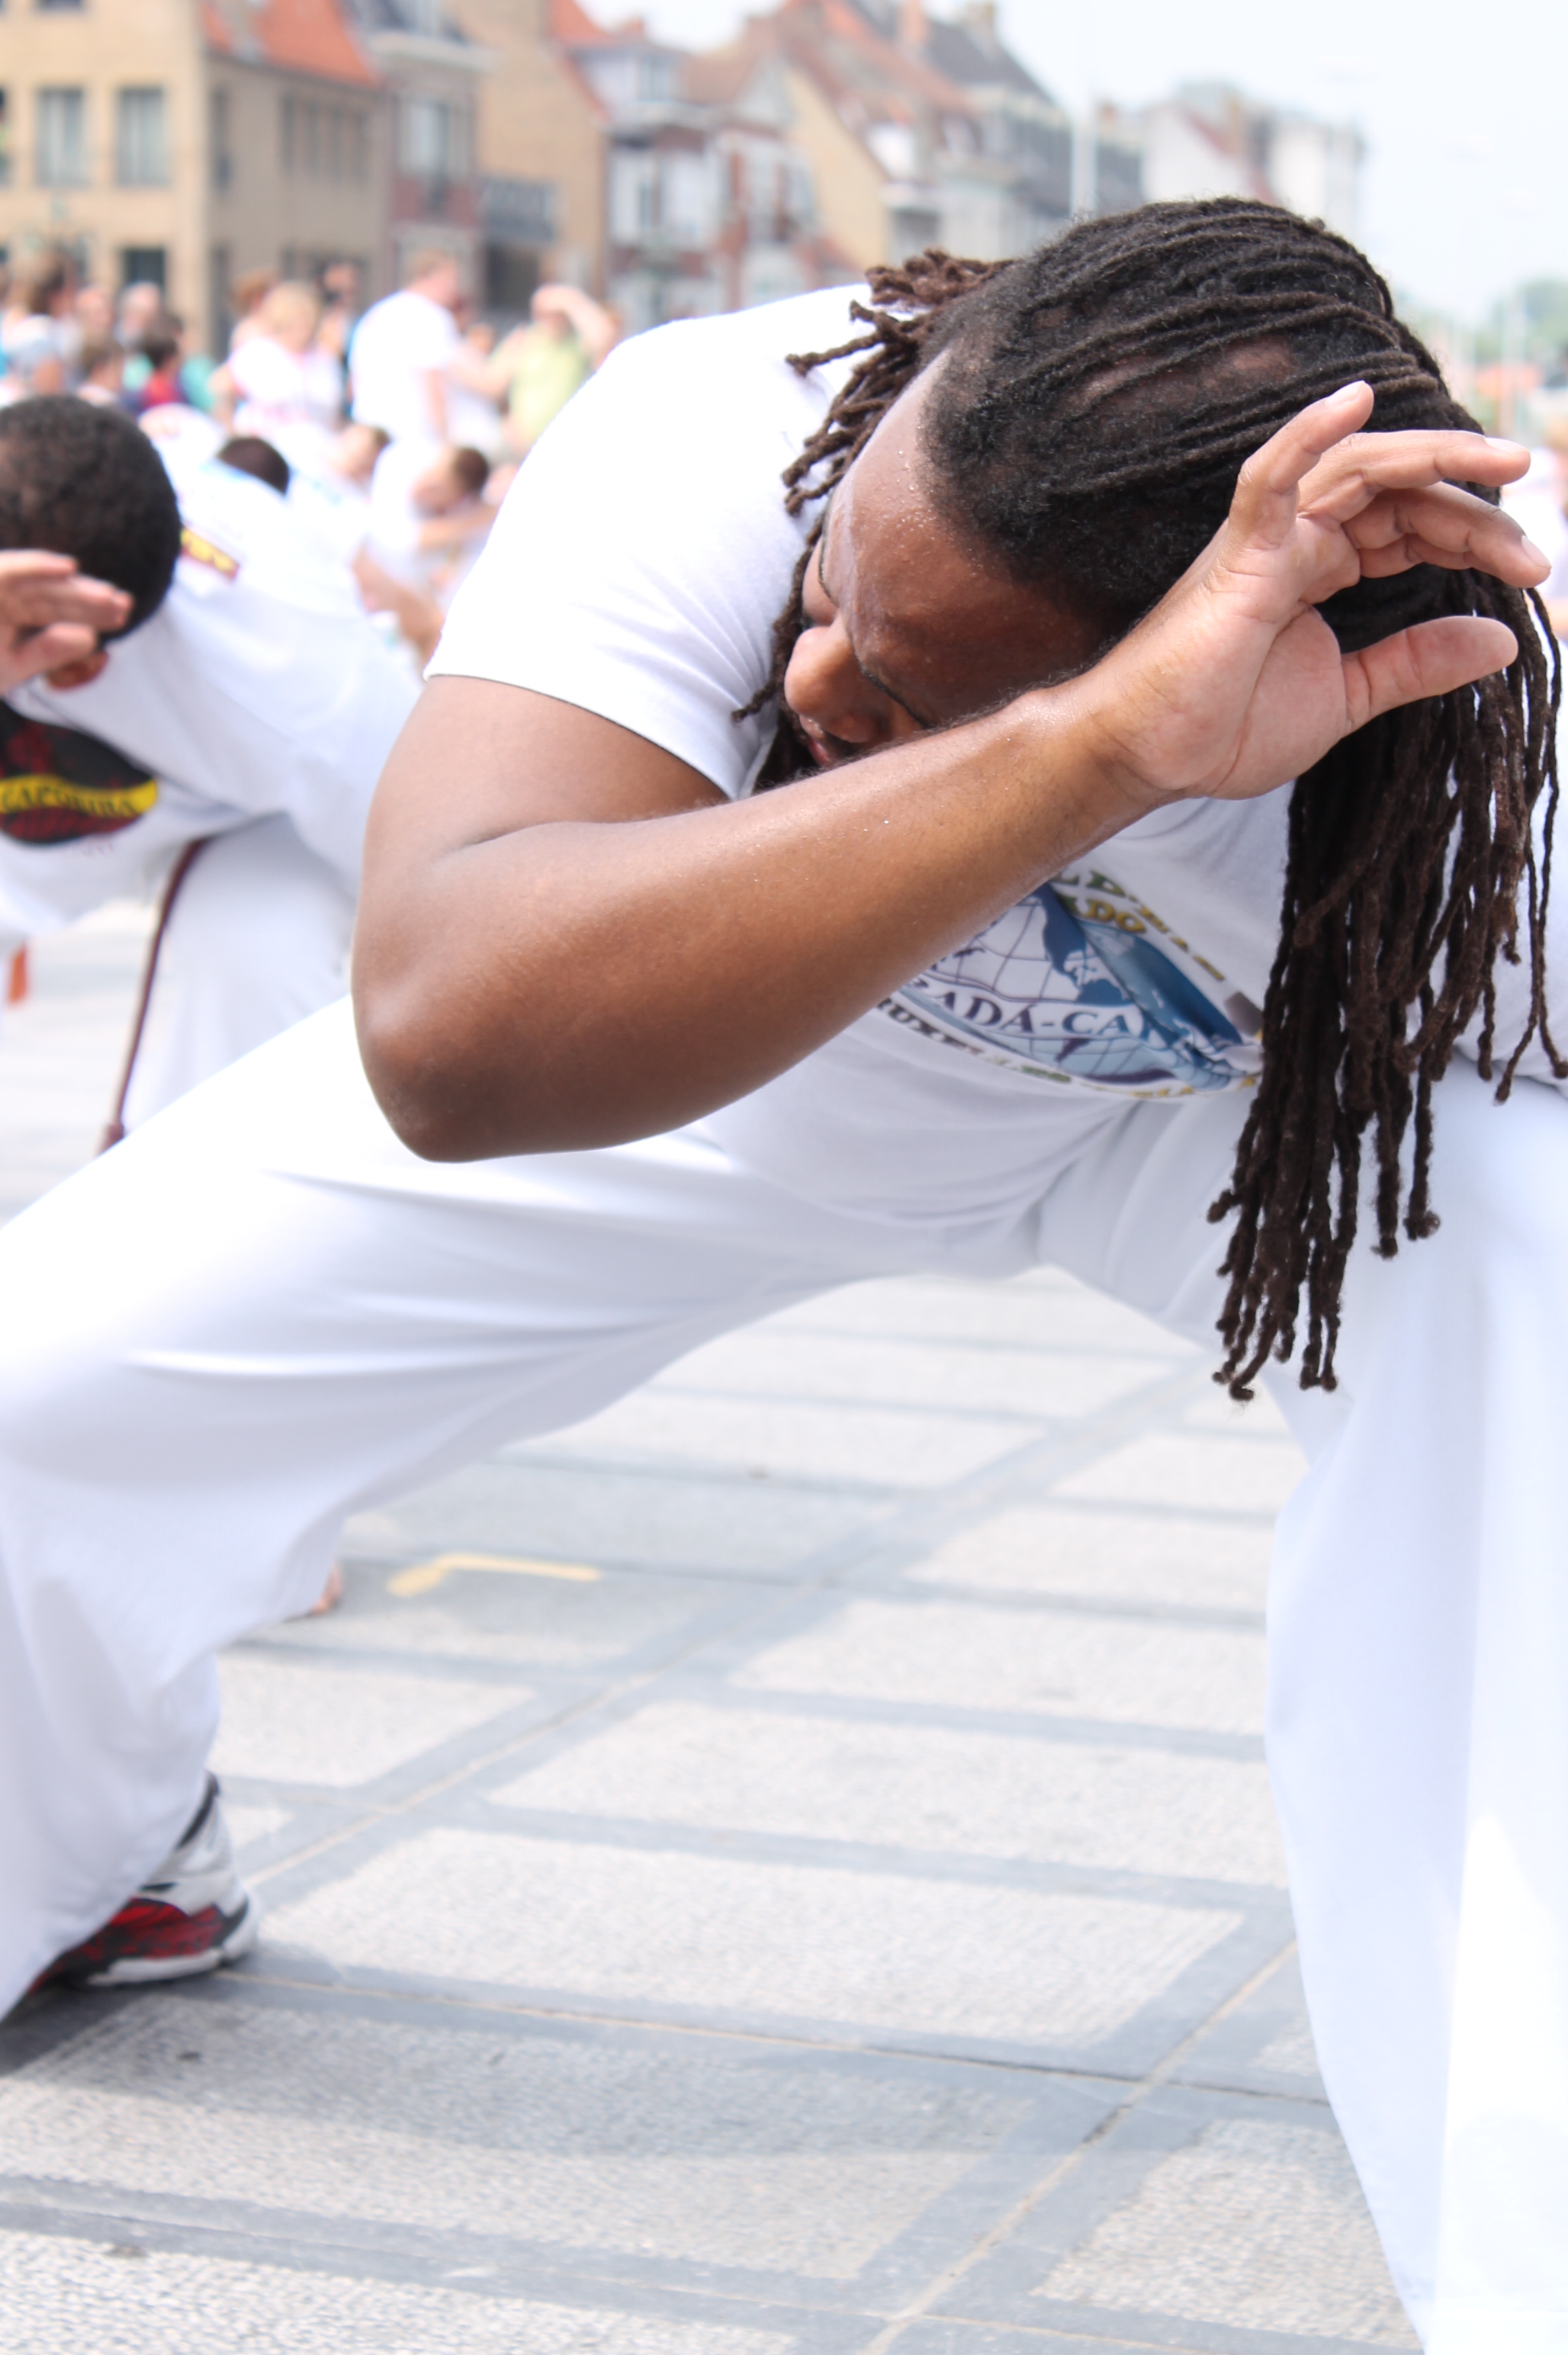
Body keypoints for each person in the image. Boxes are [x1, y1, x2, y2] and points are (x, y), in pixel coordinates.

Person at [0, 201, 1560, 2341]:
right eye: (836, 602)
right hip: (750, 1043)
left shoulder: (1483, 723)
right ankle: (97, 1861)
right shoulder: (729, 415)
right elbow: (453, 1030)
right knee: (42, 1387)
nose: (818, 678)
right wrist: (1079, 748)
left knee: (1527, 1313)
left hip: (1225, 1126)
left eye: (913, 688)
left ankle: (1525, 2225)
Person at [0, 396, 416, 1128]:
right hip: (99, 805)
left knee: (255, 953)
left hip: (267, 815)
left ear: (73, 653)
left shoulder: (297, 689)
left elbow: (432, 883)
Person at [211, 280, 343, 477]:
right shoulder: (259, 352)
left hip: (316, 454)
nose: (303, 326)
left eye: (308, 319)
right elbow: (221, 387)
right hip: (266, 452)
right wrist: (232, 437)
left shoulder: (325, 360)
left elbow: (335, 412)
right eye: (297, 319)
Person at [348, 250, 463, 448]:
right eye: (449, 281)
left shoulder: (377, 313)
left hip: (368, 429)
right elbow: (432, 381)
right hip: (412, 434)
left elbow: (353, 381)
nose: (454, 290)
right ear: (426, 276)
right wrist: (445, 439)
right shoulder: (432, 317)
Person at [490, 281, 615, 458]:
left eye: (556, 313)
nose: (549, 319)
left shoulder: (575, 344)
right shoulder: (522, 340)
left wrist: (571, 300)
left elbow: (604, 337)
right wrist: (506, 420)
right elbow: (493, 384)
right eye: (544, 313)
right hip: (522, 445)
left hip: (563, 443)